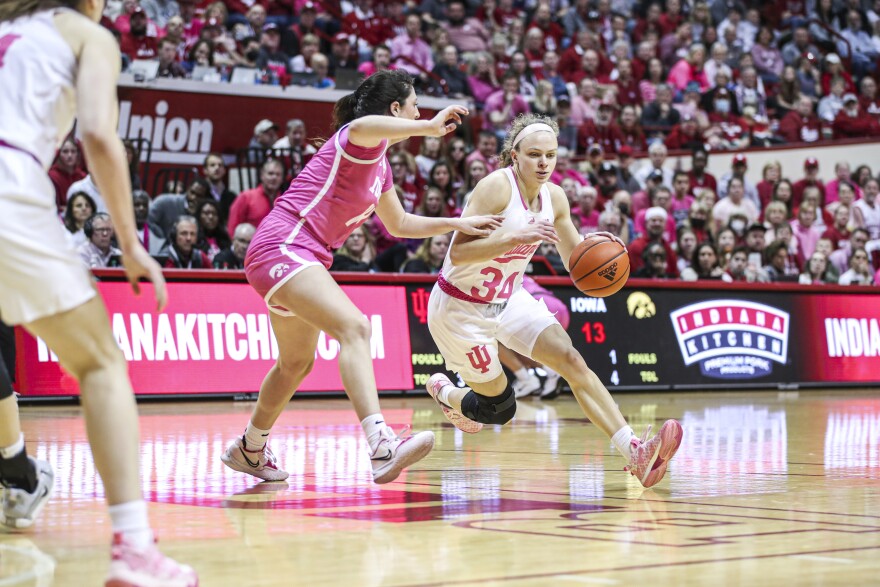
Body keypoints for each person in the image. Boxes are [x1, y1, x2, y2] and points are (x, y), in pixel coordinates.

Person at [220, 70, 502, 485]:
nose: (419, 111)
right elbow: (364, 124)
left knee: (296, 363)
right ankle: (381, 445)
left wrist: (460, 223)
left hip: (300, 256)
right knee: (355, 328)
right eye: (414, 105)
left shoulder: (381, 167)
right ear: (396, 110)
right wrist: (427, 127)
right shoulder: (357, 137)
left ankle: (249, 447)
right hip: (284, 245)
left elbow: (400, 223)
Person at [0, 2, 196, 584]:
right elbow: (98, 136)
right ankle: (134, 546)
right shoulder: (88, 34)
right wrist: (133, 244)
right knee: (101, 362)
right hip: (10, 188)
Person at [423, 114, 683, 488]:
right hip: (461, 308)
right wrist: (515, 237)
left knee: (571, 359)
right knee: (499, 409)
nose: (544, 163)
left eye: (551, 155)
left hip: (509, 297)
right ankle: (447, 392)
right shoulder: (495, 189)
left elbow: (575, 259)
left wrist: (603, 255)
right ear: (515, 156)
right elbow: (460, 254)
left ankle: (636, 452)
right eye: (534, 155)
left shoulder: (554, 197)